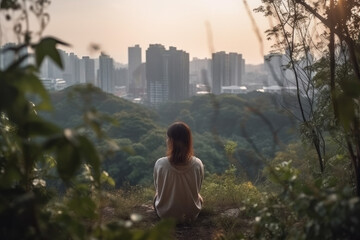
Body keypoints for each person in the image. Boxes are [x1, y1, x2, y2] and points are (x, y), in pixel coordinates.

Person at [153, 122, 204, 222]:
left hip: (165, 216)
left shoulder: (160, 163)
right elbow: (198, 188)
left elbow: (158, 188)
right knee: (200, 197)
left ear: (170, 141)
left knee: (156, 195)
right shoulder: (198, 163)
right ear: (188, 141)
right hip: (191, 216)